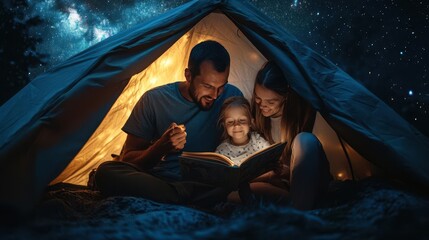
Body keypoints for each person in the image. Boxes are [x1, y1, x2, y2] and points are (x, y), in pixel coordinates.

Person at [94, 40, 243, 207]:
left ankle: (185, 198)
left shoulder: (232, 97)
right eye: (207, 86)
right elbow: (127, 160)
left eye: (221, 86)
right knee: (106, 171)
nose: (215, 95)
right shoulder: (153, 100)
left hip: (207, 185)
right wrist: (160, 147)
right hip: (160, 182)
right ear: (188, 76)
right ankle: (187, 199)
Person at [249, 61, 331, 210]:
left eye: (270, 102)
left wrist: (288, 171)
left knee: (305, 140)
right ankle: (292, 205)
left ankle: (299, 207)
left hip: (305, 181)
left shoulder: (302, 114)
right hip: (276, 184)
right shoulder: (254, 116)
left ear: (286, 97)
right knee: (238, 193)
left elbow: (308, 161)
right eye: (258, 98)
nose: (262, 105)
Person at [215, 96, 271, 166]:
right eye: (230, 122)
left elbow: (271, 157)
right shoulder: (221, 151)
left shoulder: (258, 141)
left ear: (251, 122)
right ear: (224, 125)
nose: (236, 125)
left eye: (242, 120)